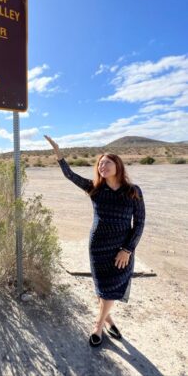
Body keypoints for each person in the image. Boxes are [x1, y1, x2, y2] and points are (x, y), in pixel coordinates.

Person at [44, 135, 145, 347]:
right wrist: (58, 152)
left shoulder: (133, 191)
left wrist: (127, 249)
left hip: (122, 248)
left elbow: (140, 222)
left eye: (107, 162)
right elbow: (69, 175)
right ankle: (107, 319)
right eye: (99, 163)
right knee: (102, 287)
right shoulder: (95, 189)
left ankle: (98, 324)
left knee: (113, 285)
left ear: (117, 165)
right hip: (98, 247)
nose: (102, 166)